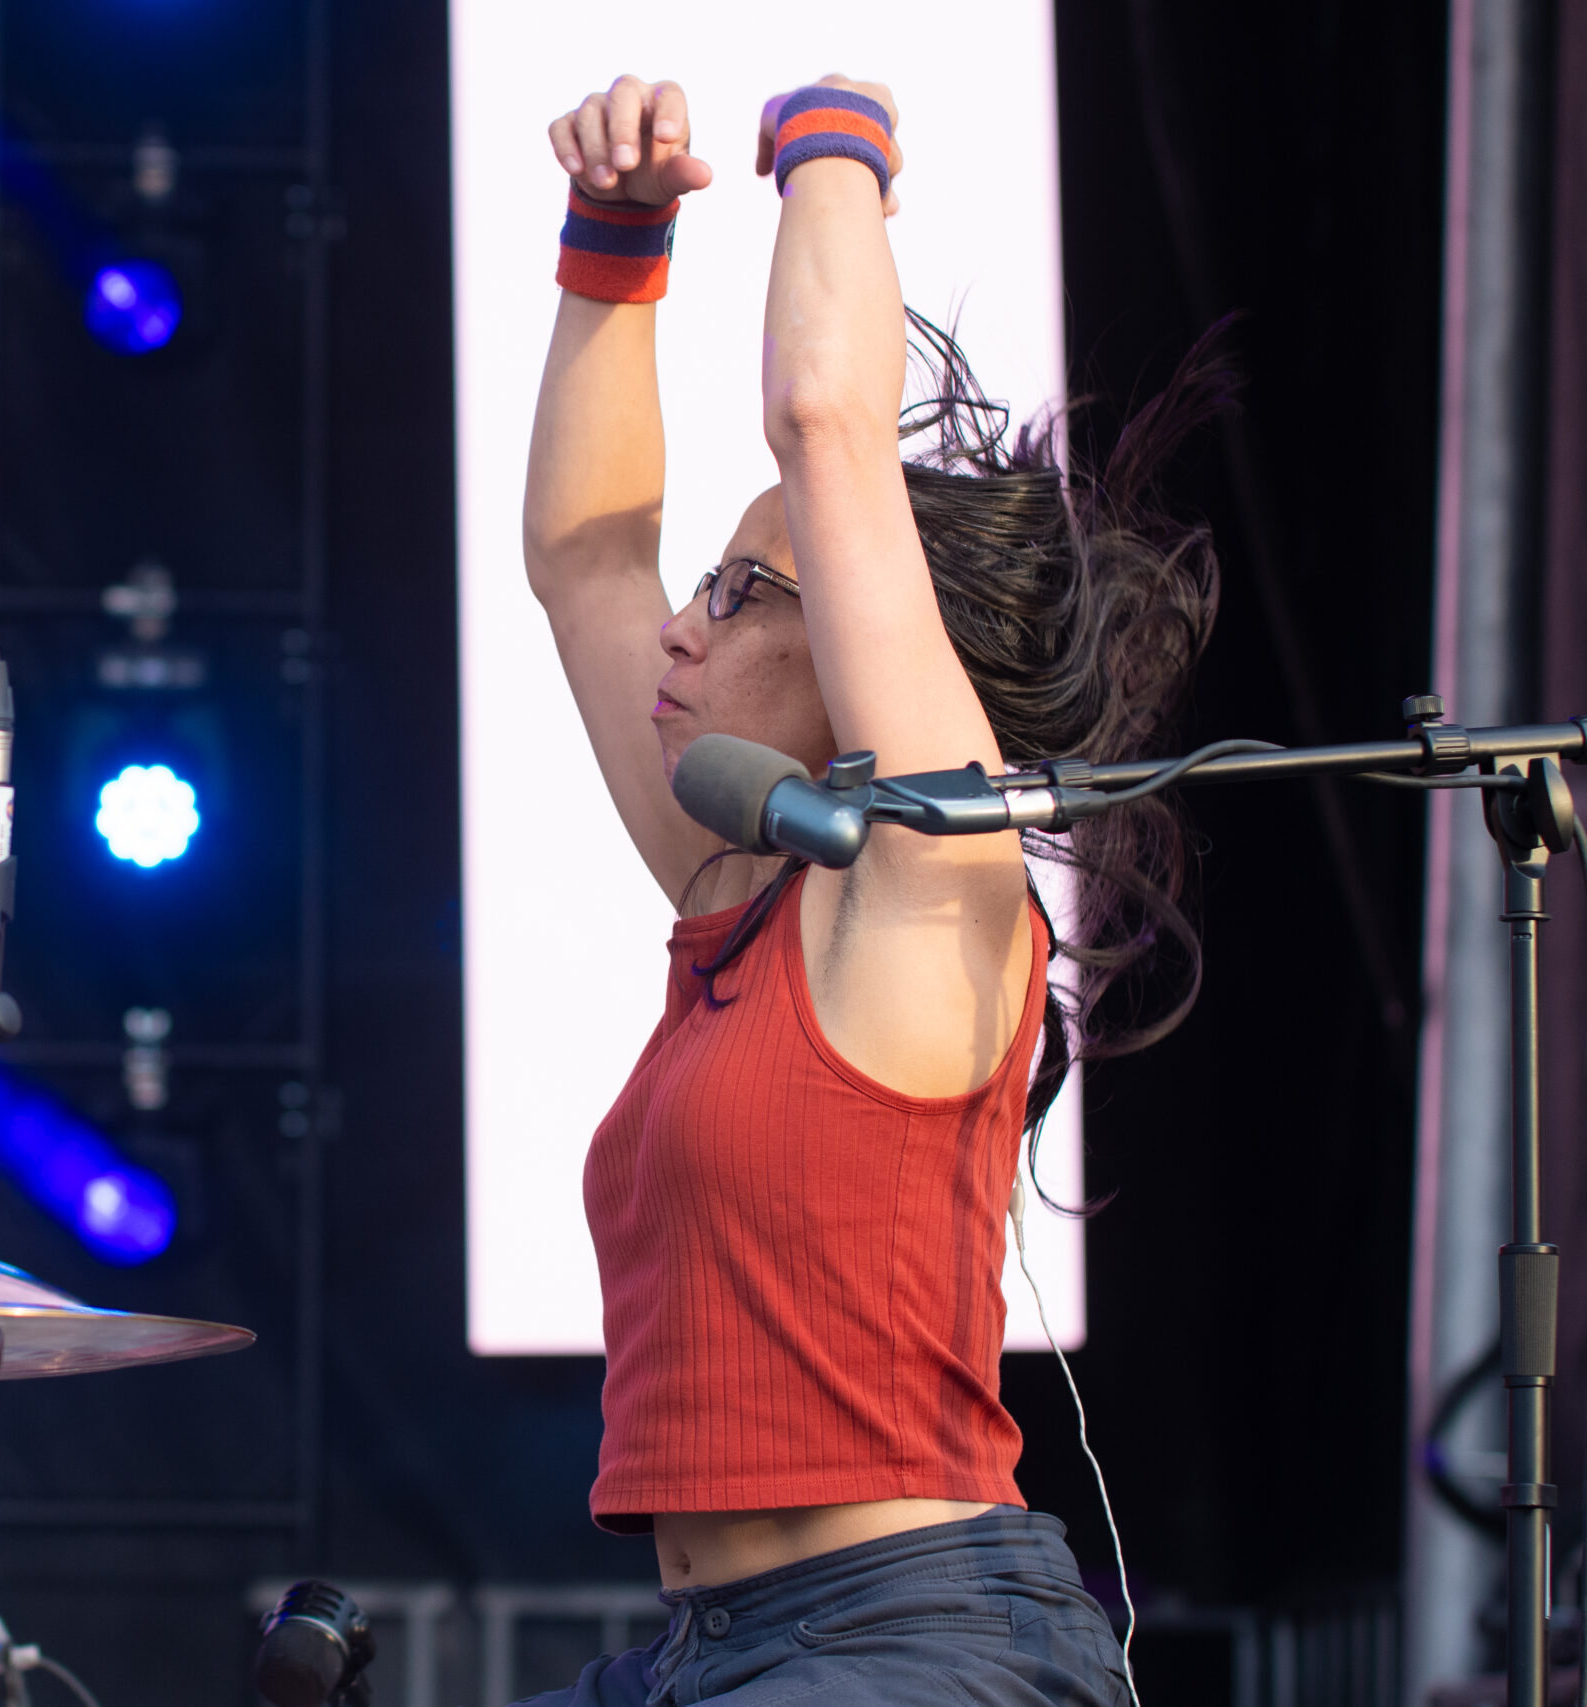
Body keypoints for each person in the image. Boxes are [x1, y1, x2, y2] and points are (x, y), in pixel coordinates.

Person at [521, 70, 1228, 1706]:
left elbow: (829, 422)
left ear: (859, 653)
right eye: (714, 585)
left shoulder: (932, 883)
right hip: (714, 1653)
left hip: (918, 1641)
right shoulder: (744, 887)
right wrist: (615, 241)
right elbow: (587, 565)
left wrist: (832, 140)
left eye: (751, 594)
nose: (687, 626)